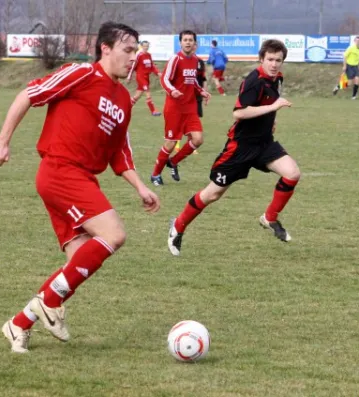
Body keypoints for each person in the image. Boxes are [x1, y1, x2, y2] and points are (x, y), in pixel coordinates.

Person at [0, 21, 161, 353]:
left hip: (82, 178)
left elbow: (119, 153)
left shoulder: (124, 99)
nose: (133, 59)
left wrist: (140, 187)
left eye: (136, 54)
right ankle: (48, 303)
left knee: (80, 258)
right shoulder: (81, 73)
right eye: (127, 51)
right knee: (114, 234)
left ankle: (19, 323)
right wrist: (2, 139)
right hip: (60, 171)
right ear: (105, 49)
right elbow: (29, 93)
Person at [167, 39, 300, 256]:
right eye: (270, 60)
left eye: (278, 60)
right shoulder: (254, 80)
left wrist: (271, 118)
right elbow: (238, 112)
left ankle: (269, 218)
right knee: (212, 194)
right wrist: (273, 107)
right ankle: (178, 226)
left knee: (292, 173)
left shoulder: (278, 78)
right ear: (261, 59)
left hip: (264, 143)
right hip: (240, 148)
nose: (274, 64)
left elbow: (265, 105)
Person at [151, 30, 211, 186]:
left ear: (194, 43)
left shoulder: (196, 60)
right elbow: (164, 78)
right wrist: (172, 91)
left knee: (198, 140)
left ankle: (174, 161)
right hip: (174, 108)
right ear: (180, 42)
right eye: (185, 40)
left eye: (190, 40)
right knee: (171, 143)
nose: (188, 42)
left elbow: (193, 82)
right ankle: (155, 174)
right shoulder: (175, 59)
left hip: (190, 108)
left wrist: (202, 91)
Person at [127, 40, 162, 116]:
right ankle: (153, 111)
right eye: (144, 46)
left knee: (137, 96)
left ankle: (126, 108)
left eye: (147, 46)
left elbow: (152, 66)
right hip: (141, 77)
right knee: (148, 93)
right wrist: (129, 76)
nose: (146, 47)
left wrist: (158, 73)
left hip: (146, 77)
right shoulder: (139, 55)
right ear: (141, 46)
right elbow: (133, 66)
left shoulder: (149, 55)